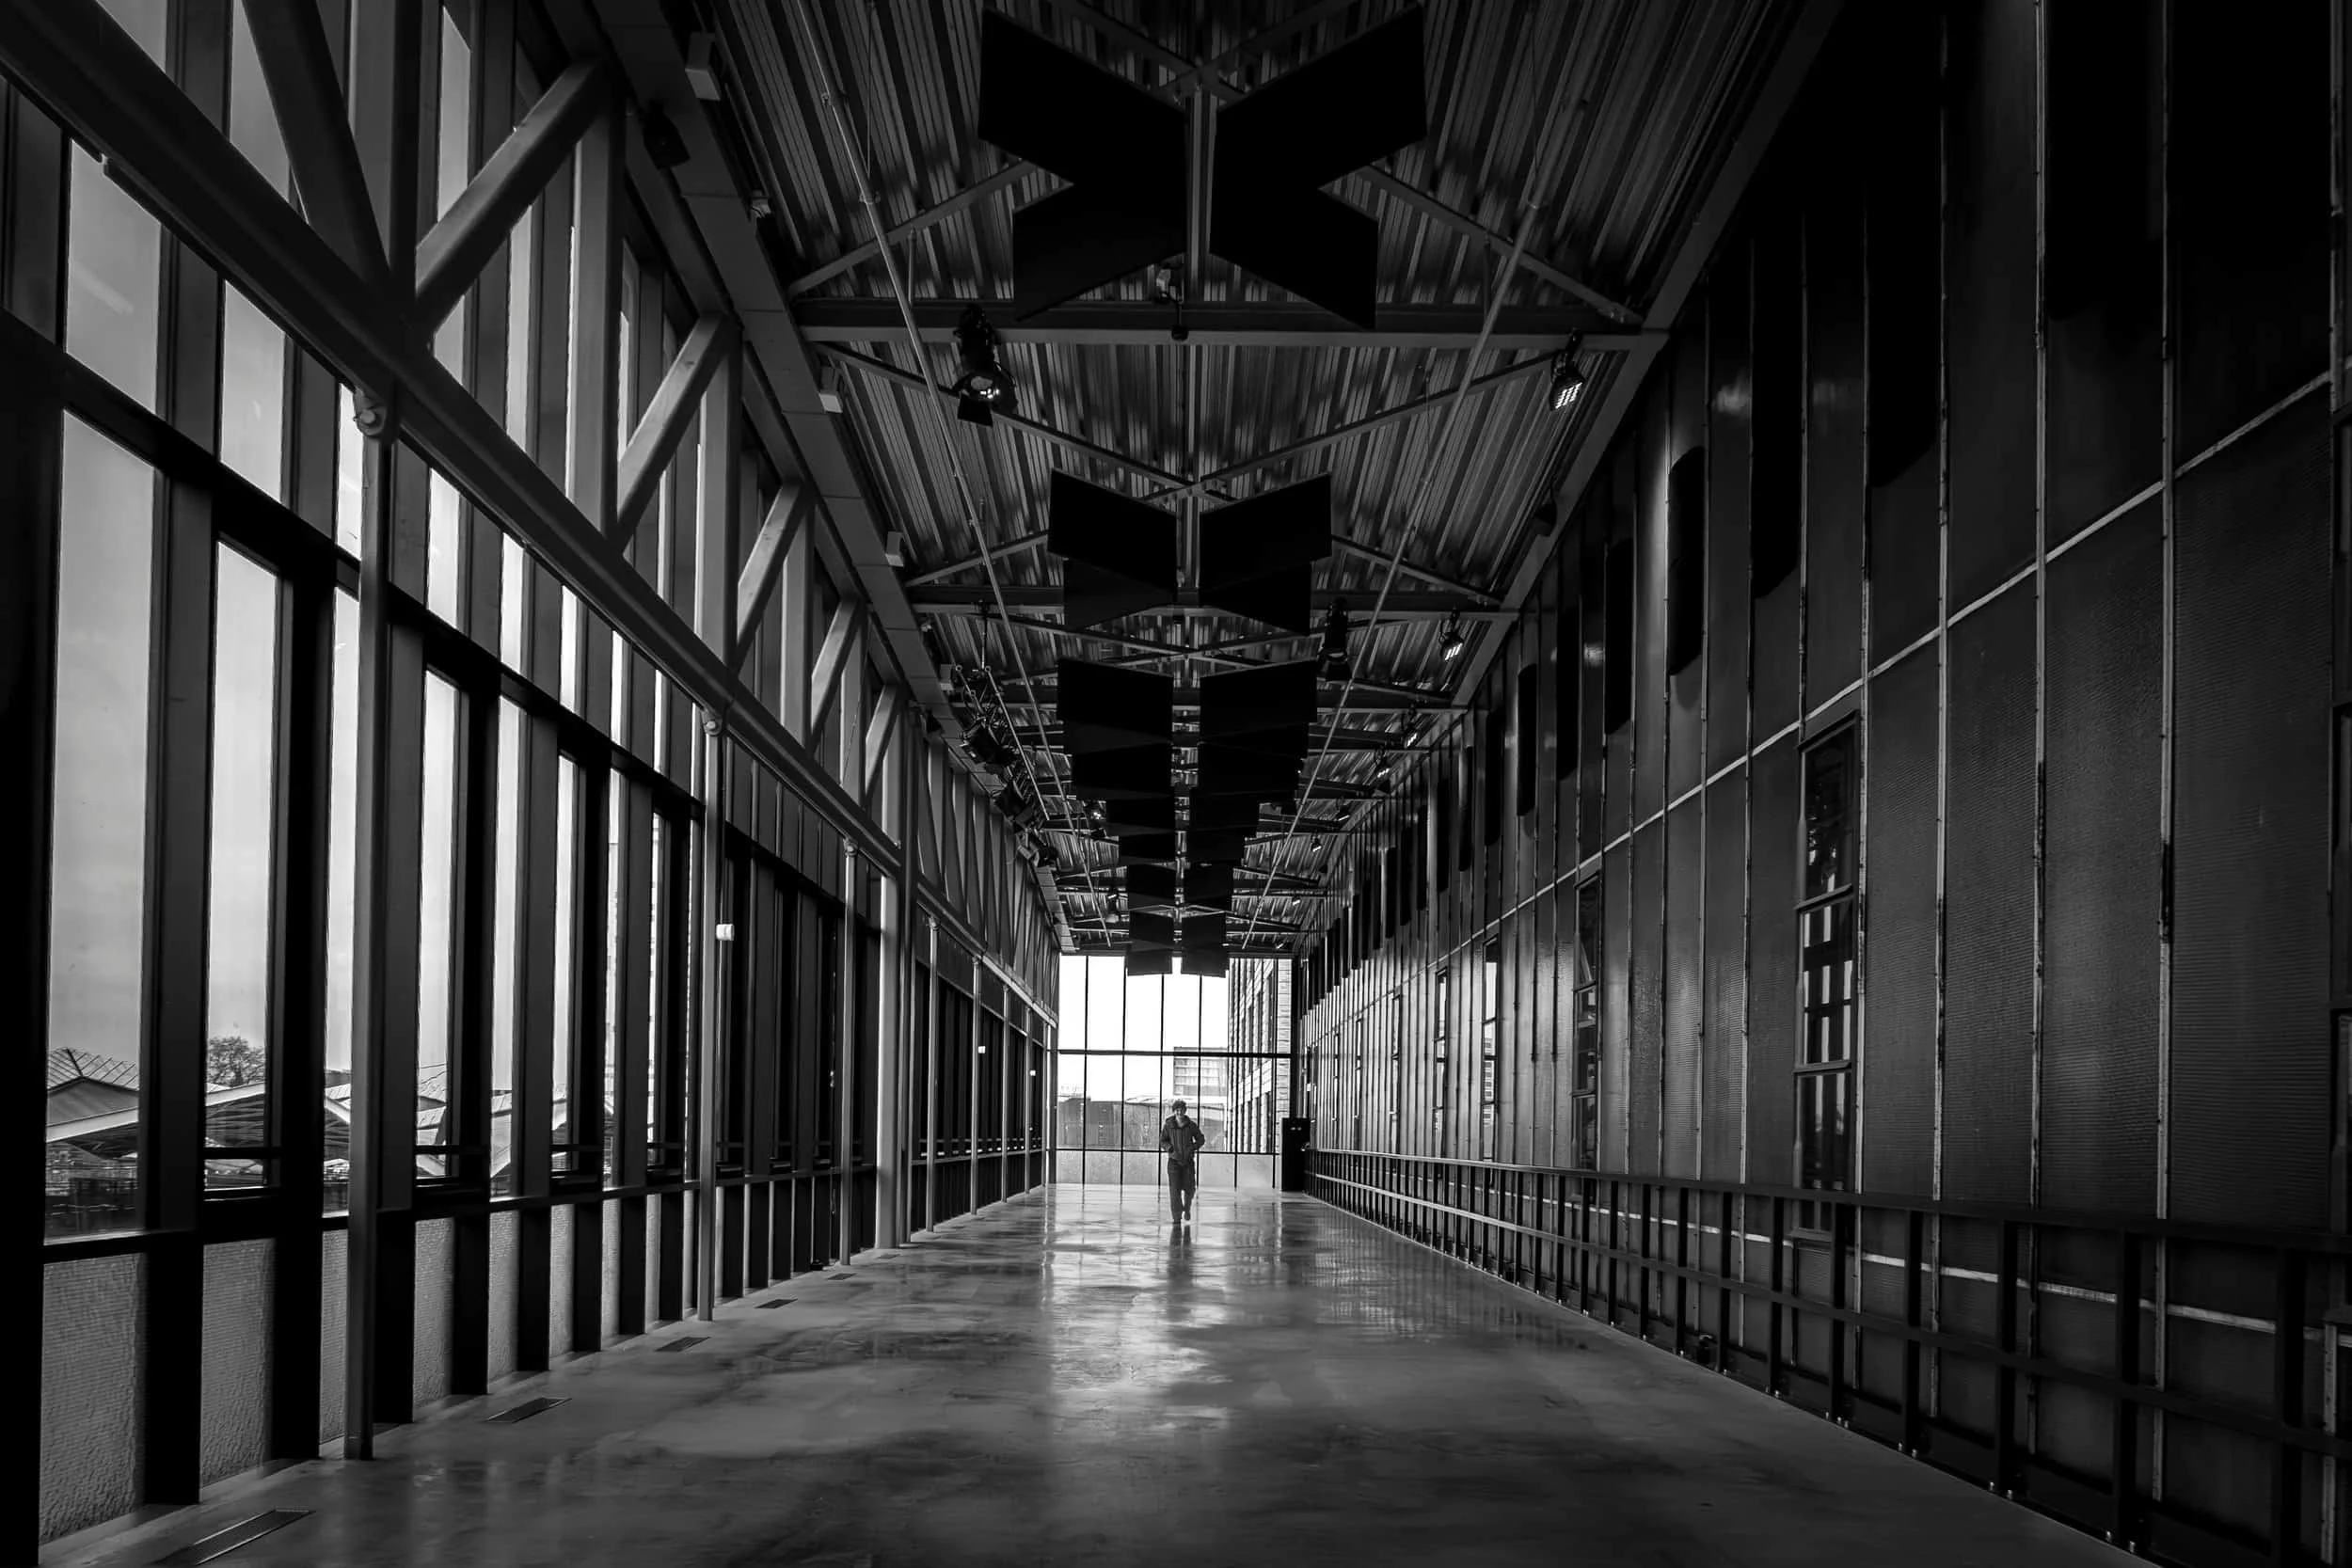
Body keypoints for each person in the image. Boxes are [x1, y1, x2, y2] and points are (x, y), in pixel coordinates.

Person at [1160, 1099, 1206, 1223]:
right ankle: (1176, 1216)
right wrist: (1170, 1148)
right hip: (1174, 1162)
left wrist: (1192, 1148)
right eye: (1177, 1110)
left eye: (1181, 1110)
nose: (1179, 1112)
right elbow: (1162, 1141)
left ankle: (1187, 1208)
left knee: (1189, 1188)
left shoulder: (1191, 1125)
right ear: (1174, 1111)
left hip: (1188, 1162)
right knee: (1174, 1190)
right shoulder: (1169, 1125)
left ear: (1185, 1111)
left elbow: (1201, 1139)